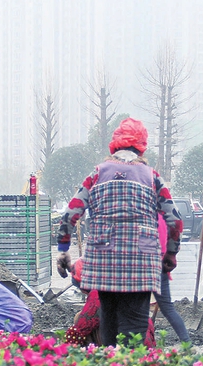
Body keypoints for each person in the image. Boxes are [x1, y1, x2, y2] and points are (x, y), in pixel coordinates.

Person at [56, 117, 184, 346]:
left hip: (103, 262)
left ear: (114, 146)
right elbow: (174, 220)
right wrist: (170, 254)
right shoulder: (152, 177)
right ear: (142, 147)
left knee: (109, 324)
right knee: (134, 330)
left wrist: (63, 249)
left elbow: (70, 214)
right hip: (141, 265)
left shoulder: (97, 174)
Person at [64, 258, 155, 347]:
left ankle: (96, 352)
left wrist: (67, 348)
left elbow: (80, 328)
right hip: (143, 340)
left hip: (126, 343)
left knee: (81, 319)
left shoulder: (97, 294)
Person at [155, 215, 190, 343]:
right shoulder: (163, 219)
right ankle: (187, 343)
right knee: (168, 308)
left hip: (145, 268)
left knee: (137, 310)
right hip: (161, 267)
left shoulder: (147, 218)